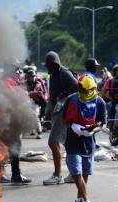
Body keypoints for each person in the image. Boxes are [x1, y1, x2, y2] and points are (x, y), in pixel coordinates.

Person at [63, 75, 105, 202]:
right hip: (72, 141)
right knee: (76, 171)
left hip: (88, 142)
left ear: (93, 89)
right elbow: (65, 120)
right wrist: (76, 127)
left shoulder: (100, 102)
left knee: (85, 173)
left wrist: (92, 130)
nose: (83, 93)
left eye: (86, 91)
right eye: (81, 90)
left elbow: (101, 124)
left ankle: (80, 200)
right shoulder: (72, 99)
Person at [43, 51, 78, 185]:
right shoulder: (54, 75)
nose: (50, 67)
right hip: (57, 112)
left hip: (64, 113)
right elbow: (52, 97)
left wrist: (62, 95)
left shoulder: (64, 73)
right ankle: (73, 174)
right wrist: (47, 114)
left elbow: (76, 85)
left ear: (56, 63)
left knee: (52, 142)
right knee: (67, 144)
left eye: (52, 64)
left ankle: (57, 175)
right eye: (48, 65)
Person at [25, 69, 47, 139]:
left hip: (36, 103)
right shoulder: (25, 84)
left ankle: (39, 132)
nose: (33, 77)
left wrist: (36, 94)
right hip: (27, 102)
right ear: (28, 77)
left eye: (33, 76)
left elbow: (40, 93)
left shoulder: (38, 84)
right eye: (31, 76)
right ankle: (32, 129)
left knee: (35, 116)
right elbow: (23, 93)